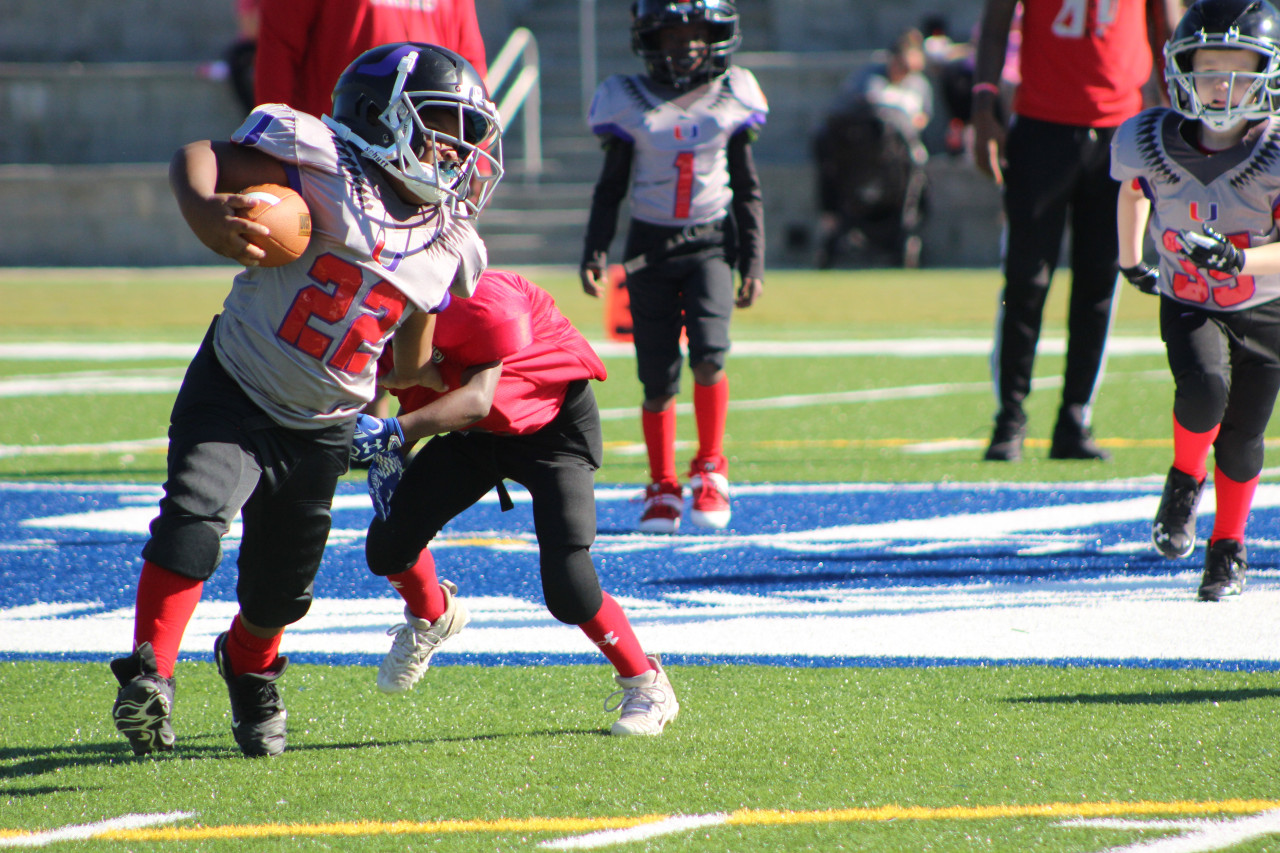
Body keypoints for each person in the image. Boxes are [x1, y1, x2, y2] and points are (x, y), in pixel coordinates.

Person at [108, 43, 504, 758]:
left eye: (466, 136)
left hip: (323, 423)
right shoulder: (318, 160)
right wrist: (206, 211)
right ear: (384, 116)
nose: (457, 152)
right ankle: (150, 674)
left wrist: (456, 387)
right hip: (237, 384)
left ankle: (250, 668)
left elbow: (410, 353)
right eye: (443, 126)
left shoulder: (450, 242)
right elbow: (196, 155)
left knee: (282, 587)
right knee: (193, 520)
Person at [351, 269, 680, 736]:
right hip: (475, 436)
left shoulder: (486, 301)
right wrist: (388, 451)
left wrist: (395, 435)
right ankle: (432, 618)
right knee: (388, 544)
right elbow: (379, 388)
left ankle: (646, 683)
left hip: (552, 427)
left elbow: (479, 399)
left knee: (569, 587)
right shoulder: (371, 312)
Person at [1112, 0, 1280, 601]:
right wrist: (1132, 258)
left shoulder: (1277, 149)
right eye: (1209, 67)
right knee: (1204, 386)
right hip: (1190, 294)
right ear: (1181, 69)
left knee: (1243, 437)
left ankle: (1228, 546)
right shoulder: (1149, 135)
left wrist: (1239, 259)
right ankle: (1185, 479)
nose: (1223, 83)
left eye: (1240, 67)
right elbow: (1137, 192)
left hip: (1265, 304)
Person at [579, 0, 767, 535]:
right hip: (649, 248)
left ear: (718, 34)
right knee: (656, 376)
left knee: (709, 356)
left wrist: (752, 258)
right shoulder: (626, 97)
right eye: (672, 32)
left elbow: (748, 190)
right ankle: (661, 481)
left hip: (710, 242)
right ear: (650, 39)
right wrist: (595, 248)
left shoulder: (734, 92)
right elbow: (610, 185)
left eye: (697, 31)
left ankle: (711, 466)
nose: (686, 43)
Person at [972, 0, 1180, 462]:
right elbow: (995, 24)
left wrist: (1178, 109)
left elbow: (1165, 24)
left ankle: (1075, 416)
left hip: (1121, 130)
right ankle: (1009, 415)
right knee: (1026, 279)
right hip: (1041, 126)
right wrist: (983, 104)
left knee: (1101, 281)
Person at [813, 28, 933, 268]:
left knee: (918, 173)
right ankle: (831, 223)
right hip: (858, 158)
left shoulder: (919, 86)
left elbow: (922, 119)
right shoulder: (868, 79)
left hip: (898, 163)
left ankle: (908, 229)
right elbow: (866, 111)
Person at [253, 0, 488, 121]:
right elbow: (279, 50)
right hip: (336, 148)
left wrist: (478, 153)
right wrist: (275, 136)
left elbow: (468, 61)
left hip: (426, 148)